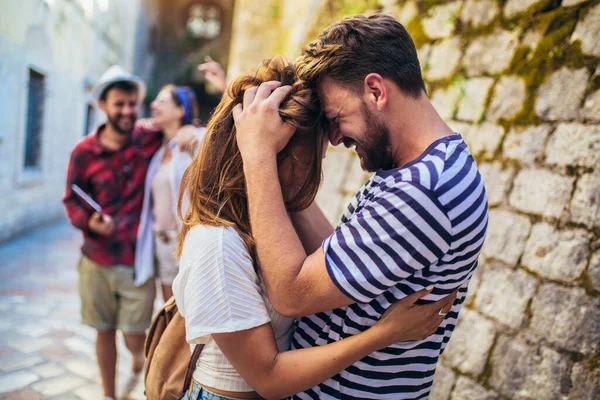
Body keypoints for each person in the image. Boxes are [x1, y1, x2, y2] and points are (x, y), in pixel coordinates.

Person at [231, 15, 489, 399]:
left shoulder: (424, 191)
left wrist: (257, 156)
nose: (334, 137)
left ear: (375, 91)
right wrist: (288, 185)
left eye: (336, 117)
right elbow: (343, 259)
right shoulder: (423, 169)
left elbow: (292, 292)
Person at [172, 56, 457, 400]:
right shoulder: (217, 244)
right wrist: (384, 333)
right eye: (312, 162)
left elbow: (329, 258)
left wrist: (266, 158)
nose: (314, 177)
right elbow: (270, 377)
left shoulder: (272, 216)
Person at [62, 66, 195, 400]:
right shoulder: (84, 152)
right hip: (97, 259)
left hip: (137, 263)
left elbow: (178, 131)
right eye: (119, 104)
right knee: (104, 332)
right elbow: (71, 199)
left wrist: (190, 126)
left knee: (136, 336)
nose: (127, 111)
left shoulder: (148, 139)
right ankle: (109, 394)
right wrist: (88, 222)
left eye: (132, 104)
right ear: (103, 106)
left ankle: (138, 360)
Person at [136, 84, 204, 302]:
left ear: (180, 110)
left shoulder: (193, 142)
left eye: (162, 101)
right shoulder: (159, 150)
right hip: (161, 244)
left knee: (189, 318)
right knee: (168, 313)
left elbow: (218, 136)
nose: (154, 105)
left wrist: (192, 129)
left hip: (186, 243)